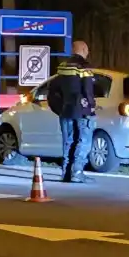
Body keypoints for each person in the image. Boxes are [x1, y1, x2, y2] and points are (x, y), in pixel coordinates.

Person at [48, 40, 96, 183]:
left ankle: (66, 173)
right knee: (84, 140)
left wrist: (59, 108)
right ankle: (77, 171)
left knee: (68, 141)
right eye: (87, 50)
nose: (87, 53)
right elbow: (88, 89)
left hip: (65, 110)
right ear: (82, 49)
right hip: (82, 110)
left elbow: (53, 90)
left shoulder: (62, 67)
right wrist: (91, 106)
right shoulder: (84, 67)